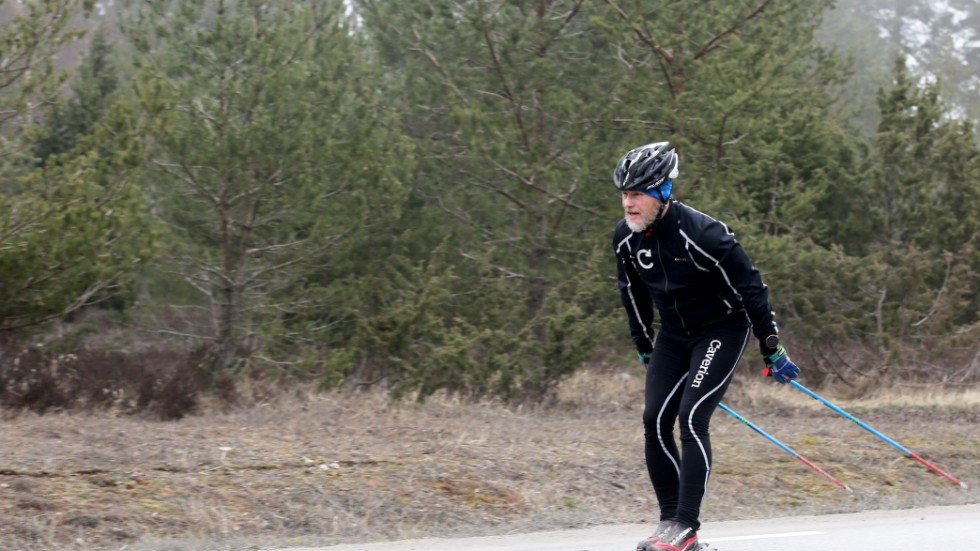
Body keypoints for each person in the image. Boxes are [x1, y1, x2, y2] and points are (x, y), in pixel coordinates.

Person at [611, 142, 800, 551]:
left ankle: (686, 525)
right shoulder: (626, 239)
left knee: (690, 417)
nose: (628, 203)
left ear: (662, 192)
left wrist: (771, 347)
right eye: (624, 194)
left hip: (720, 331)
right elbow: (632, 294)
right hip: (674, 336)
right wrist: (644, 345)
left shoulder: (703, 234)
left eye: (637, 194)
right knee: (652, 419)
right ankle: (669, 523)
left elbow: (752, 289)